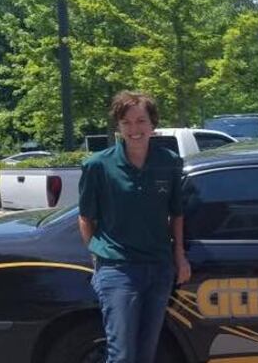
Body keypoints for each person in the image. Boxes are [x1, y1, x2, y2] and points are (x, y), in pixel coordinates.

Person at [78, 91, 191, 363]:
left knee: (146, 352)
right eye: (126, 122)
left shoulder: (169, 162)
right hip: (119, 271)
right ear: (118, 126)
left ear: (153, 124)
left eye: (141, 121)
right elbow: (85, 218)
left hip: (159, 268)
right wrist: (99, 257)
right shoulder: (98, 166)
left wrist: (179, 257)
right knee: (123, 355)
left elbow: (176, 214)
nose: (134, 129)